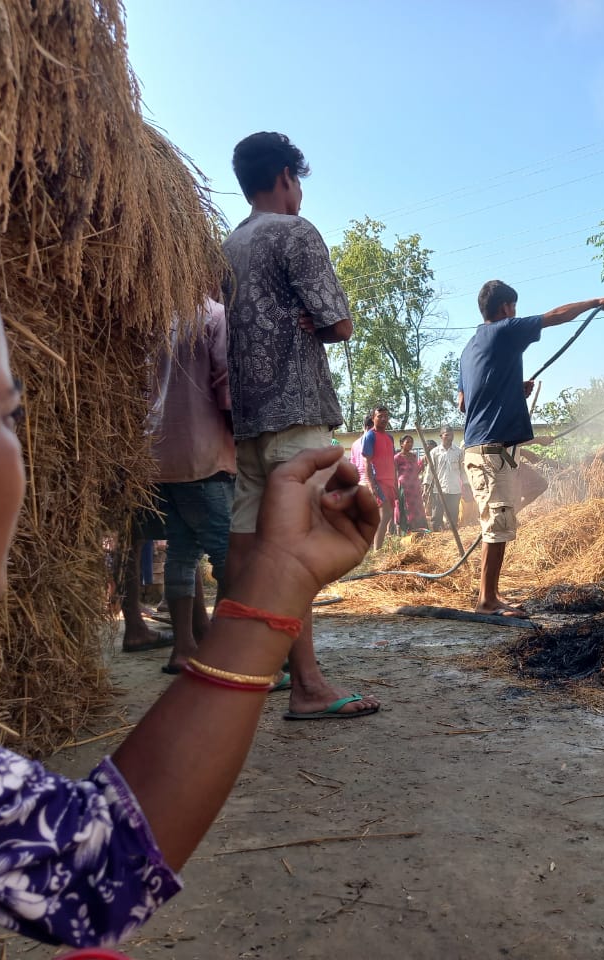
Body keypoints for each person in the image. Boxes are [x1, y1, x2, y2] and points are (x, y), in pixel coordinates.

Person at [0, 150, 380, 956]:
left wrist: (280, 584)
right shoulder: (290, 238)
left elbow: (93, 868)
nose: (23, 452)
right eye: (6, 414)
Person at [222, 131, 379, 719]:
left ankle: (241, 669)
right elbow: (339, 323)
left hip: (245, 420)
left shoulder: (228, 245)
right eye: (298, 180)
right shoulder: (295, 232)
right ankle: (308, 685)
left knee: (245, 547)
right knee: (298, 548)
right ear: (287, 176)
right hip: (296, 417)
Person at [457, 280, 604, 617]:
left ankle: (491, 595)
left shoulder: (471, 347)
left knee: (504, 515)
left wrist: (512, 389)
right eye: (514, 307)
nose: (516, 313)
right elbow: (554, 316)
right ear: (506, 308)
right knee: (498, 524)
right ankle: (487, 601)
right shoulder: (503, 331)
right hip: (490, 450)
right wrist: (595, 301)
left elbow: (463, 403)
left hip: (484, 448)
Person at [151, 297, 236, 674]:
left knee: (181, 554)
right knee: (228, 555)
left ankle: (183, 648)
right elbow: (226, 386)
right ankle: (224, 648)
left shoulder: (155, 317)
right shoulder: (214, 315)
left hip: (159, 455)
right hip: (205, 453)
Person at [361, 405, 397, 549]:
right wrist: (371, 485)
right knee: (386, 514)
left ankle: (377, 547)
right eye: (380, 416)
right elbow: (367, 462)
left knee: (387, 516)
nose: (383, 419)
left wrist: (395, 481)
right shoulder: (370, 436)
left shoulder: (390, 438)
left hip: (390, 482)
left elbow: (391, 461)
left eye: (386, 416)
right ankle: (377, 550)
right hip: (378, 481)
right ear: (373, 418)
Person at [429, 426, 464, 532]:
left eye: (451, 434)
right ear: (441, 436)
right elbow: (430, 470)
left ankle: (451, 536)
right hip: (438, 489)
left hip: (455, 489)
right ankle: (437, 535)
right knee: (437, 515)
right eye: (447, 434)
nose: (450, 437)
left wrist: (466, 484)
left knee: (453, 515)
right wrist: (426, 485)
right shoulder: (434, 452)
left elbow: (462, 470)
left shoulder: (458, 451)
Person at [393, 435, 428, 533]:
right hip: (404, 488)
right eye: (407, 442)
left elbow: (416, 470)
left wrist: (423, 462)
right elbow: (393, 473)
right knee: (405, 508)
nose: (410, 444)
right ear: (401, 444)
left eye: (411, 442)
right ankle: (405, 532)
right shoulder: (397, 457)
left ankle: (418, 531)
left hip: (415, 487)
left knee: (417, 508)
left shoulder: (413, 456)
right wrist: (395, 487)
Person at [350, 413, 374, 489]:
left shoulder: (354, 444)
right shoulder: (374, 442)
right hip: (373, 484)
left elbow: (352, 466)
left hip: (359, 483)